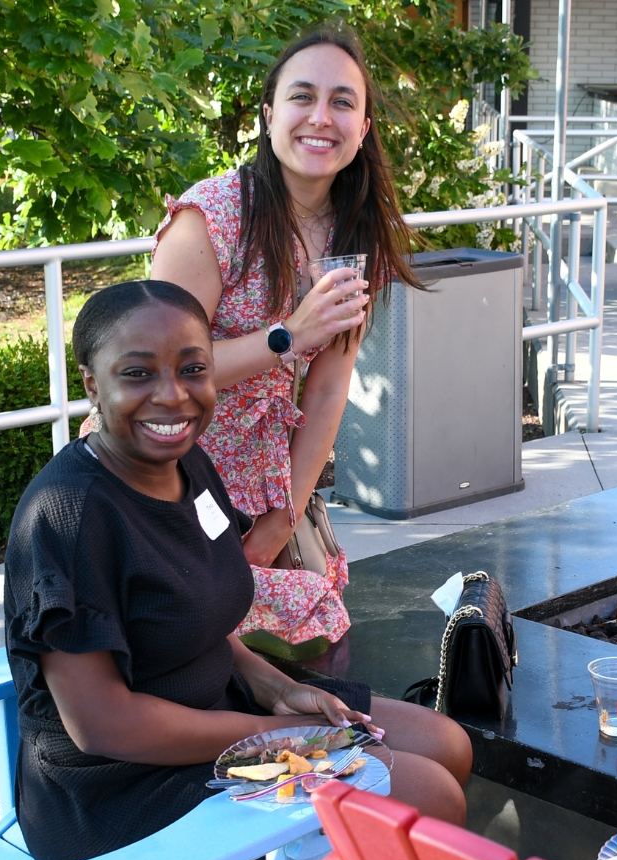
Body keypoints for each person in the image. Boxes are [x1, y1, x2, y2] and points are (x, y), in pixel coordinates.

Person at [4, 282, 464, 860]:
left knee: (446, 744)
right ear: (91, 383)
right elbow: (103, 726)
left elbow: (188, 613)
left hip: (219, 709)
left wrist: (278, 688)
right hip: (121, 801)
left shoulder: (188, 467)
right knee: (427, 796)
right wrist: (280, 735)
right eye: (138, 374)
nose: (172, 395)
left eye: (193, 368)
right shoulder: (70, 517)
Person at [130, 25, 473, 798]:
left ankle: (319, 801)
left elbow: (326, 388)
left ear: (364, 129)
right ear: (267, 112)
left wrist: (284, 516)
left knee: (316, 639)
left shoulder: (356, 238)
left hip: (269, 474)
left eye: (342, 102)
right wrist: (288, 336)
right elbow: (155, 372)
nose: (322, 116)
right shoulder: (211, 218)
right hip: (172, 467)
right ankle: (228, 805)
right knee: (196, 654)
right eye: (303, 97)